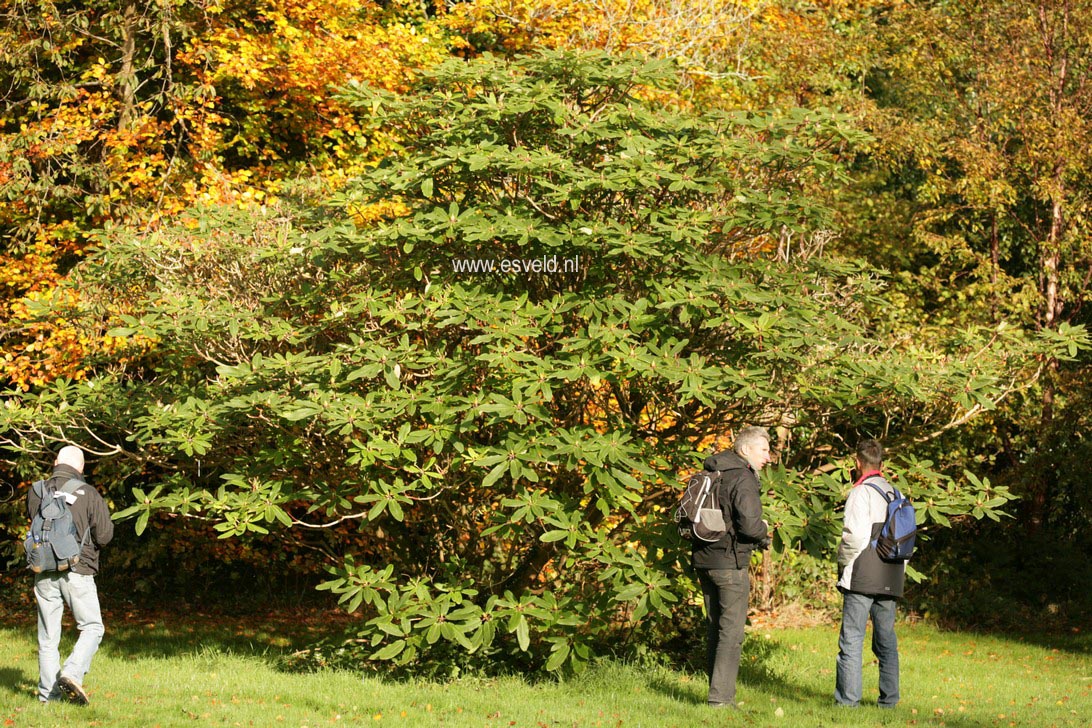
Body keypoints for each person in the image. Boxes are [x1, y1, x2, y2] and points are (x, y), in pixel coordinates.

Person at [691, 426, 772, 709]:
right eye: (764, 450)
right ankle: (721, 699)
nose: (769, 457)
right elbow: (749, 526)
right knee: (732, 632)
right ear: (746, 449)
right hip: (730, 562)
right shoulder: (743, 477)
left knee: (715, 627)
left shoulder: (714, 470)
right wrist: (764, 532)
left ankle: (715, 691)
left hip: (704, 559)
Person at [26, 445, 114, 706]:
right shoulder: (88, 493)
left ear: (55, 462)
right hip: (78, 570)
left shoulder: (35, 490)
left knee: (48, 637)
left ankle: (48, 697)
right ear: (82, 467)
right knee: (92, 626)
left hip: (43, 571)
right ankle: (72, 673)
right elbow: (105, 536)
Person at [834, 438, 905, 708]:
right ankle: (889, 701)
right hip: (891, 574)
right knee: (886, 641)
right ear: (882, 465)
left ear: (857, 463)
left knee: (851, 640)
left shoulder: (860, 493)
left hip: (863, 576)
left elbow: (854, 537)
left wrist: (843, 563)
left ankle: (848, 703)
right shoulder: (896, 493)